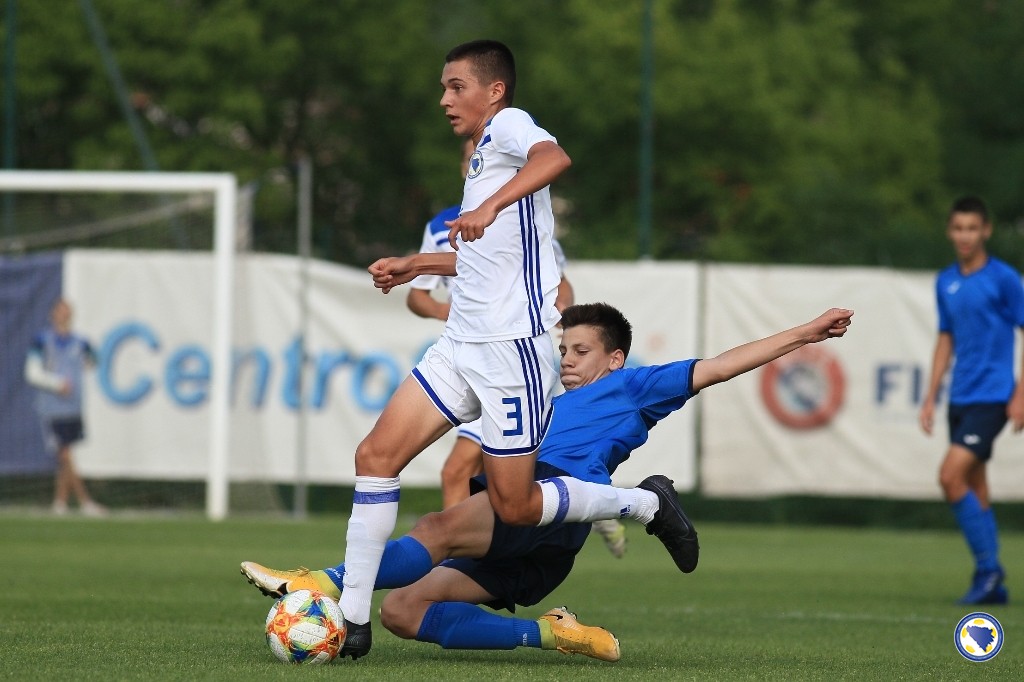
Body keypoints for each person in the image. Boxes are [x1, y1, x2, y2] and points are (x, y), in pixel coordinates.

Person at [242, 303, 854, 662]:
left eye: (581, 351)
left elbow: (717, 367)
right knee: (403, 611)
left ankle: (318, 581)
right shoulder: (542, 403)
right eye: (564, 349)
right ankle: (550, 633)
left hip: (546, 501)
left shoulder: (634, 387)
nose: (567, 359)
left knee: (435, 527)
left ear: (615, 358)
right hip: (542, 537)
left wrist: (804, 333)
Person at [337, 40, 689, 659]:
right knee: (375, 454)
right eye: (443, 88)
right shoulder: (481, 158)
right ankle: (352, 620)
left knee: (516, 505)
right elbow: (487, 259)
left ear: (494, 90)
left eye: (456, 86)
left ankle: (642, 503)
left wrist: (494, 203)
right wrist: (417, 263)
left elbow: (556, 157)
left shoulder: (509, 125)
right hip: (460, 346)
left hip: (509, 352)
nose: (445, 99)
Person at [405, 140, 623, 559]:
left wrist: (561, 315)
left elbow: (559, 283)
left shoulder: (527, 219)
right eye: (471, 159)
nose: (477, 166)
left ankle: (457, 565)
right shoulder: (440, 226)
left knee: (465, 469)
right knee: (485, 471)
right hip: (469, 354)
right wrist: (448, 311)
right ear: (464, 168)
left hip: (512, 356)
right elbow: (418, 297)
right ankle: (593, 501)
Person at [919, 196, 1024, 605]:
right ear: (950, 232)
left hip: (993, 396)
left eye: (972, 228)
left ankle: (988, 570)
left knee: (950, 477)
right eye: (958, 228)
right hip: (960, 396)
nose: (965, 235)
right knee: (975, 485)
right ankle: (991, 580)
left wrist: (1020, 393)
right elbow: (946, 338)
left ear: (986, 231)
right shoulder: (945, 281)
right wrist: (930, 396)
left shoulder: (1004, 279)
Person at [23, 298, 106, 516]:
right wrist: (57, 383)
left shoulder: (80, 342)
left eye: (67, 311)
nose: (64, 315)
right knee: (65, 453)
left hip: (73, 407)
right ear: (53, 314)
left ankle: (60, 503)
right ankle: (85, 501)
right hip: (53, 407)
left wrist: (86, 363)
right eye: (60, 311)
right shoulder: (42, 341)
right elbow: (32, 372)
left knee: (66, 455)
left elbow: (95, 359)